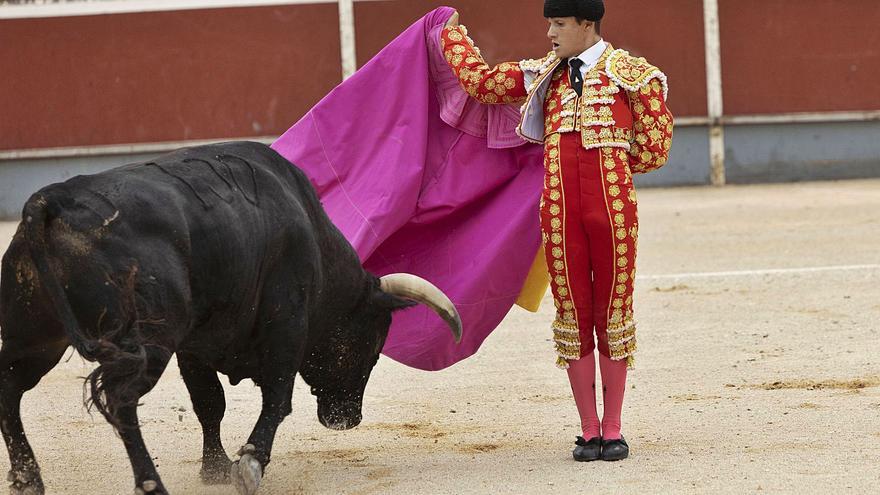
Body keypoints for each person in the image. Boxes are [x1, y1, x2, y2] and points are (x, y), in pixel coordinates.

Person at [441, 0, 673, 461]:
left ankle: (614, 426)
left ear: (587, 24)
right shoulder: (540, 75)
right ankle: (589, 429)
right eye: (550, 22)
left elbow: (655, 147)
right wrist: (446, 32)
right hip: (561, 214)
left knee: (612, 313)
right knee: (574, 313)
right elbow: (482, 84)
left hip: (613, 215)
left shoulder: (634, 75)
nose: (550, 33)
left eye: (559, 23)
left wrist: (610, 172)